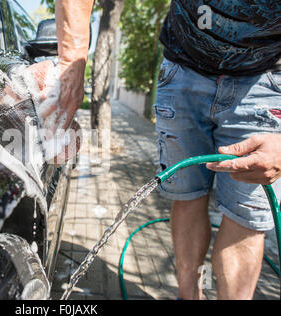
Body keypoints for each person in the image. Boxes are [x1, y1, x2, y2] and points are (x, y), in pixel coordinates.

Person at [32, 0, 281, 300]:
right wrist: (72, 63)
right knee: (186, 195)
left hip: (265, 80)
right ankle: (188, 295)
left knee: (247, 216)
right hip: (184, 66)